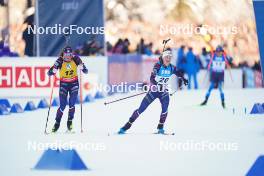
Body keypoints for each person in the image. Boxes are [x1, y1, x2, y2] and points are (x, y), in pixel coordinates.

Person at [118, 49, 188, 134]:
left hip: (163, 92)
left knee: (165, 109)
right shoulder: (158, 66)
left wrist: (184, 79)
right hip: (153, 91)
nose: (168, 59)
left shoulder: (172, 67)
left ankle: (160, 127)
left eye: (170, 57)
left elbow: (178, 73)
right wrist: (158, 85)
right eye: (166, 57)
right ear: (163, 57)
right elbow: (152, 78)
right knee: (141, 109)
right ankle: (127, 125)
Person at [47, 46, 88, 132]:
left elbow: (86, 71)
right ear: (63, 54)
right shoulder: (60, 60)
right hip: (64, 84)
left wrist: (82, 67)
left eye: (69, 54)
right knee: (62, 105)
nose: (67, 57)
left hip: (74, 84)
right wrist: (53, 70)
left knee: (72, 103)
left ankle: (69, 122)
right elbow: (49, 73)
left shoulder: (76, 59)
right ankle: (57, 123)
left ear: (71, 54)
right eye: (66, 54)